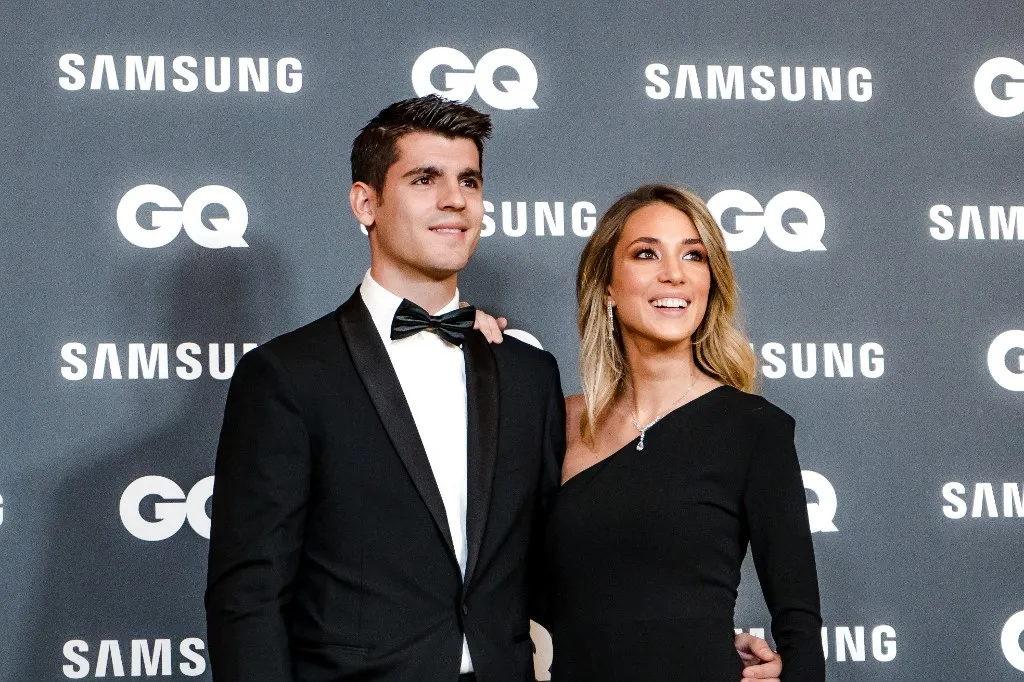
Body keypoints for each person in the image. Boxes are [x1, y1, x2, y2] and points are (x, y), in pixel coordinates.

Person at [204, 96, 784, 682]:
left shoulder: (526, 375)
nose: (454, 198)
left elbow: (549, 571)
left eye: (469, 180)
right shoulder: (287, 376)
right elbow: (247, 599)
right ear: (366, 202)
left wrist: (685, 640)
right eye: (424, 178)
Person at [541, 184, 826, 680]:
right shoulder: (557, 423)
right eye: (646, 253)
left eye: (693, 256)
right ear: (607, 285)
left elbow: (800, 626)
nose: (673, 273)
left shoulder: (754, 429)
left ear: (710, 282)